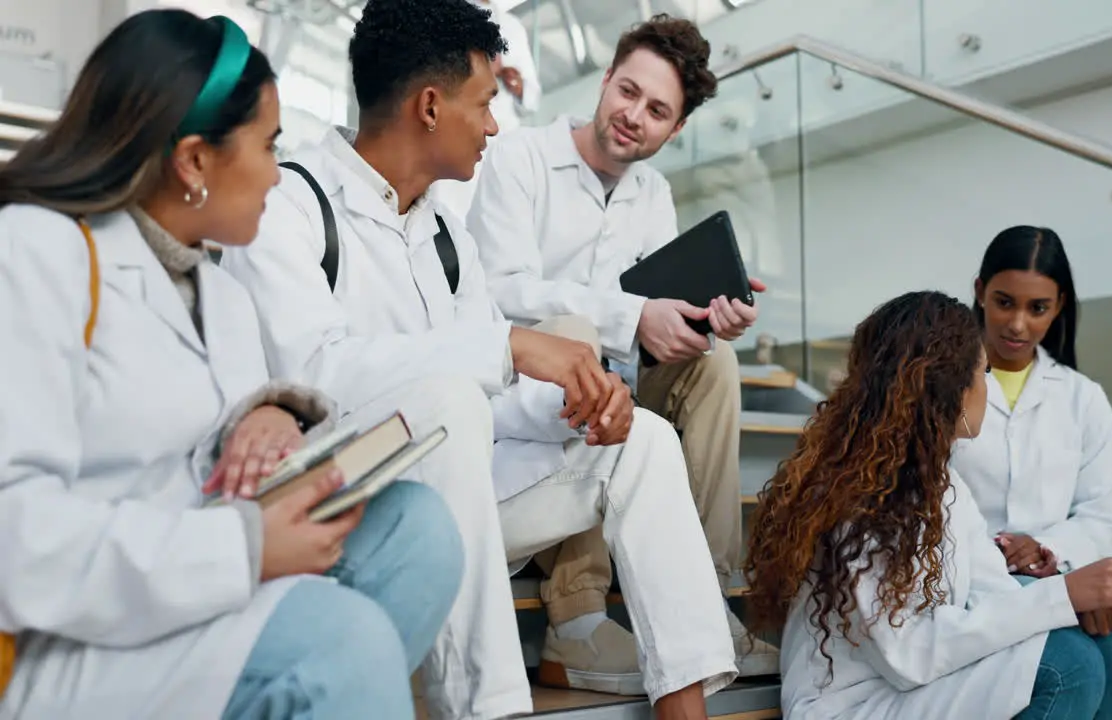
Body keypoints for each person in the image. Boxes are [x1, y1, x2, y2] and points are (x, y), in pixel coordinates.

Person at [218, 1, 737, 718]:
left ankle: (688, 708)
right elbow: (315, 375)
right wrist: (509, 345)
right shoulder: (293, 202)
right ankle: (489, 706)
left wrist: (577, 403)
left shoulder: (442, 235)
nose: (494, 123)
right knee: (451, 396)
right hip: (354, 506)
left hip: (466, 486)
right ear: (430, 107)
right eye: (486, 102)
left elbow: (494, 399)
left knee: (640, 439)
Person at [0, 11, 462, 719]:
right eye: (269, 146)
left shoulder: (217, 289)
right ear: (193, 161)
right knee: (344, 645)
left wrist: (268, 417)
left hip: (201, 580)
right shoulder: (36, 253)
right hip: (74, 641)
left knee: (417, 533)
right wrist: (242, 548)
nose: (280, 173)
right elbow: (17, 540)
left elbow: (202, 437)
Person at [467, 13, 778, 685]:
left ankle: (712, 593)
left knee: (714, 365)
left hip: (619, 387)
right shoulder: (518, 157)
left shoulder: (653, 193)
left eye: (658, 109)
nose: (635, 114)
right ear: (605, 79)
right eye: (628, 91)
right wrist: (633, 317)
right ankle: (575, 617)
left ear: (676, 129)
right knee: (579, 344)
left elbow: (652, 324)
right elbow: (502, 291)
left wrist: (699, 323)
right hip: (522, 385)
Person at [744, 290, 1112, 720]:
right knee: (1069, 667)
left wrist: (1080, 604)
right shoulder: (860, 497)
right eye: (984, 372)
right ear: (947, 385)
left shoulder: (945, 485)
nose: (990, 385)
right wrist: (1063, 595)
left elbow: (995, 597)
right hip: (854, 704)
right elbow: (908, 656)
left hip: (924, 687)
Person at [951, 225, 1112, 718]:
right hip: (973, 581)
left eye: (1037, 308)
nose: (1017, 324)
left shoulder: (1082, 397)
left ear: (1058, 307)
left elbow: (1105, 518)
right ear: (978, 292)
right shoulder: (945, 385)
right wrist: (1004, 552)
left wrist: (1047, 552)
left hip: (1061, 572)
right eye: (1003, 302)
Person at [430, 0, 541, 219]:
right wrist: (479, 68)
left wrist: (516, 83)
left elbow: (532, 97)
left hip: (502, 139)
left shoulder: (513, 27)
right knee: (452, 212)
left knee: (500, 216)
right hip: (458, 131)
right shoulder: (445, 14)